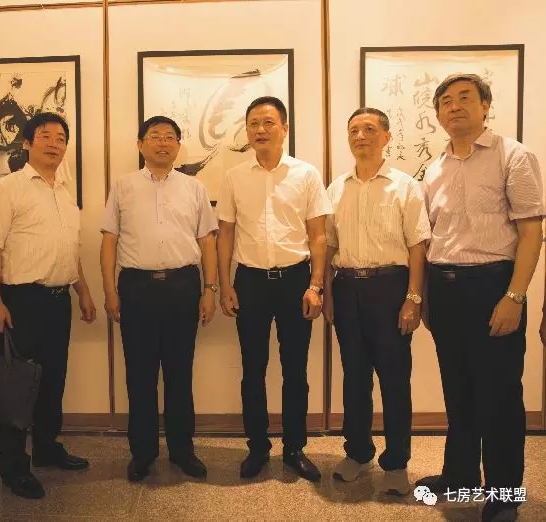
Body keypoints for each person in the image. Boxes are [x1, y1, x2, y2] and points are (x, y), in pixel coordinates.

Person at [416, 74, 543, 522]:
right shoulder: (434, 168)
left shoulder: (513, 155)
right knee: (459, 392)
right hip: (445, 290)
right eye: (446, 102)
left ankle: (505, 495)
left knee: (501, 397)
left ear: (485, 105)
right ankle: (461, 477)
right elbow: (430, 238)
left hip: (493, 287)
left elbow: (532, 232)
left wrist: (515, 296)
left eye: (465, 98)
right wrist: (425, 296)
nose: (454, 107)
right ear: (438, 115)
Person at [0, 112, 97, 500]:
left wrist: (83, 290)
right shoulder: (9, 187)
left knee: (52, 381)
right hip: (21, 301)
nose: (54, 143)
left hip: (58, 300)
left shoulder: (63, 192)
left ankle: (47, 448)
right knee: (18, 387)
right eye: (45, 136)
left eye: (61, 138)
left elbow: (68, 248)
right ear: (28, 143)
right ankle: (14, 468)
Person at [217, 96, 332, 482]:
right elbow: (225, 233)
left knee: (295, 370)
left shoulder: (306, 174)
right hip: (249, 282)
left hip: (296, 281)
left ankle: (295, 448)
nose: (260, 130)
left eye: (268, 122)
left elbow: (318, 235)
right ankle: (257, 447)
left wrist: (316, 285)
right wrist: (224, 285)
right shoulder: (234, 176)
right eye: (253, 123)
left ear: (285, 128)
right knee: (253, 369)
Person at [100, 116, 218, 482]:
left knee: (180, 373)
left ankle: (182, 450)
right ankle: (143, 452)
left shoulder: (194, 188)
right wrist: (110, 290)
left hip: (183, 286)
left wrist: (210, 289)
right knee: (140, 374)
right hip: (136, 287)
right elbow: (109, 240)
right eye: (155, 136)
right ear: (140, 145)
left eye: (170, 137)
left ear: (179, 146)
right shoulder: (123, 186)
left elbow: (207, 241)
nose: (163, 142)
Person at [323, 108, 431, 495]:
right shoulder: (336, 188)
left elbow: (417, 246)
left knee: (394, 379)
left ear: (386, 137)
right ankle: (357, 452)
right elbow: (329, 246)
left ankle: (397, 462)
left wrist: (413, 298)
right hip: (347, 288)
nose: (361, 136)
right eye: (353, 130)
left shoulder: (405, 186)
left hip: (391, 289)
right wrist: (328, 294)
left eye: (369, 129)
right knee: (354, 377)